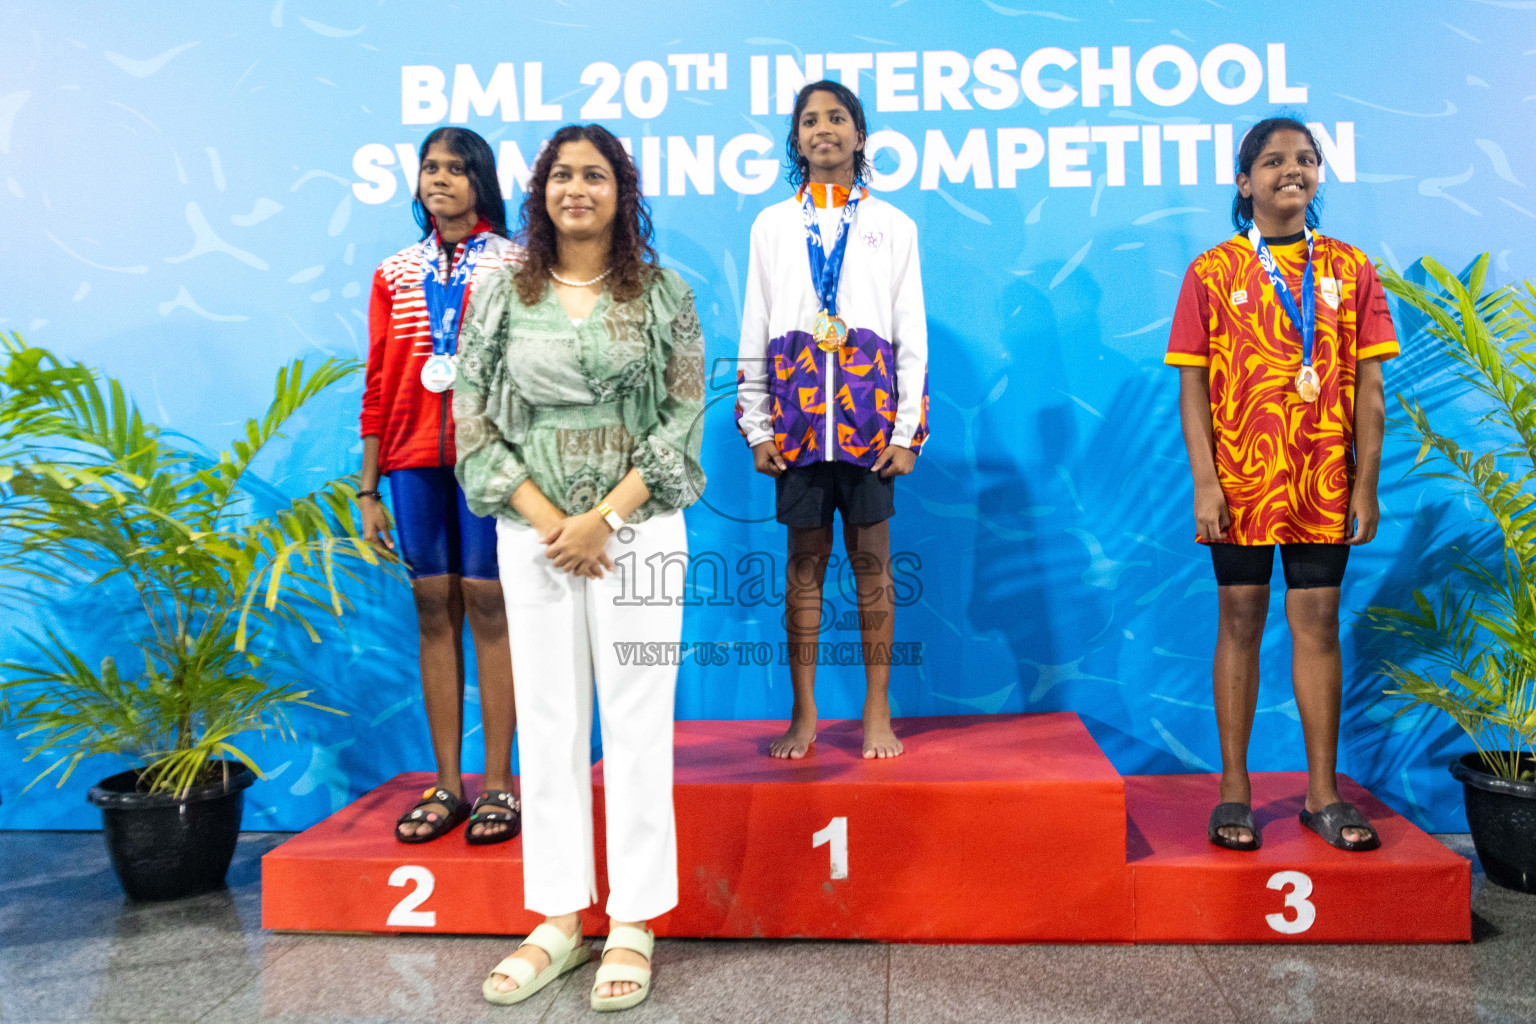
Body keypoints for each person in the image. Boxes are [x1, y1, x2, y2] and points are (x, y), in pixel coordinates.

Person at [454, 123, 705, 1012]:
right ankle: (559, 920)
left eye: (594, 175)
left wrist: (603, 518)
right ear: (540, 191)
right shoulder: (497, 295)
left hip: (636, 532)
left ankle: (634, 922)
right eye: (562, 175)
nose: (576, 189)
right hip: (534, 534)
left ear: (621, 192)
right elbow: (474, 420)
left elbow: (681, 422)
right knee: (552, 723)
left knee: (636, 724)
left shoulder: (666, 295)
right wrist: (551, 520)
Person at [1166, 117, 1399, 853]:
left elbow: (1369, 389)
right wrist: (1206, 483)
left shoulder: (1352, 269)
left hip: (1322, 481)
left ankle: (1322, 795)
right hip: (1237, 482)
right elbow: (1193, 390)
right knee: (1238, 620)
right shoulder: (1212, 273)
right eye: (1271, 161)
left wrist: (1364, 486)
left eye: (1304, 159)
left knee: (1317, 626)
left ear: (1319, 176)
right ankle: (1234, 789)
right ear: (1245, 183)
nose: (1289, 171)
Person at [736, 80, 929, 761]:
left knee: (872, 564)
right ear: (796, 140)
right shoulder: (771, 224)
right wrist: (757, 424)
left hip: (869, 426)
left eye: (837, 118)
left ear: (859, 134)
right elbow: (755, 320)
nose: (825, 129)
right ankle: (804, 710)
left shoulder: (893, 224)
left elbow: (912, 330)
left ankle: (879, 708)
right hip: (796, 424)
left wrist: (907, 432)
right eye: (810, 120)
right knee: (803, 566)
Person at [358, 127, 522, 845]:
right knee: (433, 606)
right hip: (411, 459)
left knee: (489, 605)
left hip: (490, 459)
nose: (441, 180)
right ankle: (446, 783)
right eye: (431, 167)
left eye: (457, 169)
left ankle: (498, 784)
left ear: (481, 181)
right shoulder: (394, 272)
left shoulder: (516, 264)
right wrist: (368, 489)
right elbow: (378, 380)